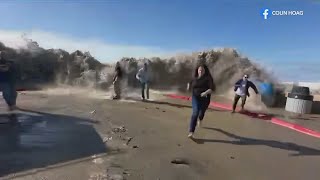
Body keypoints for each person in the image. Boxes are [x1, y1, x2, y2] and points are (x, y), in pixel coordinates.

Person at [187, 64, 215, 138]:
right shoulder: (194, 78)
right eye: (199, 70)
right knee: (195, 113)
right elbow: (190, 82)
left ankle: (200, 119)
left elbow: (212, 89)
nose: (201, 71)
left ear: (205, 71)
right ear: (197, 70)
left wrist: (205, 92)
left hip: (205, 99)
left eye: (202, 70)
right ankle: (191, 132)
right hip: (195, 98)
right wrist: (188, 86)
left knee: (201, 113)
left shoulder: (208, 78)